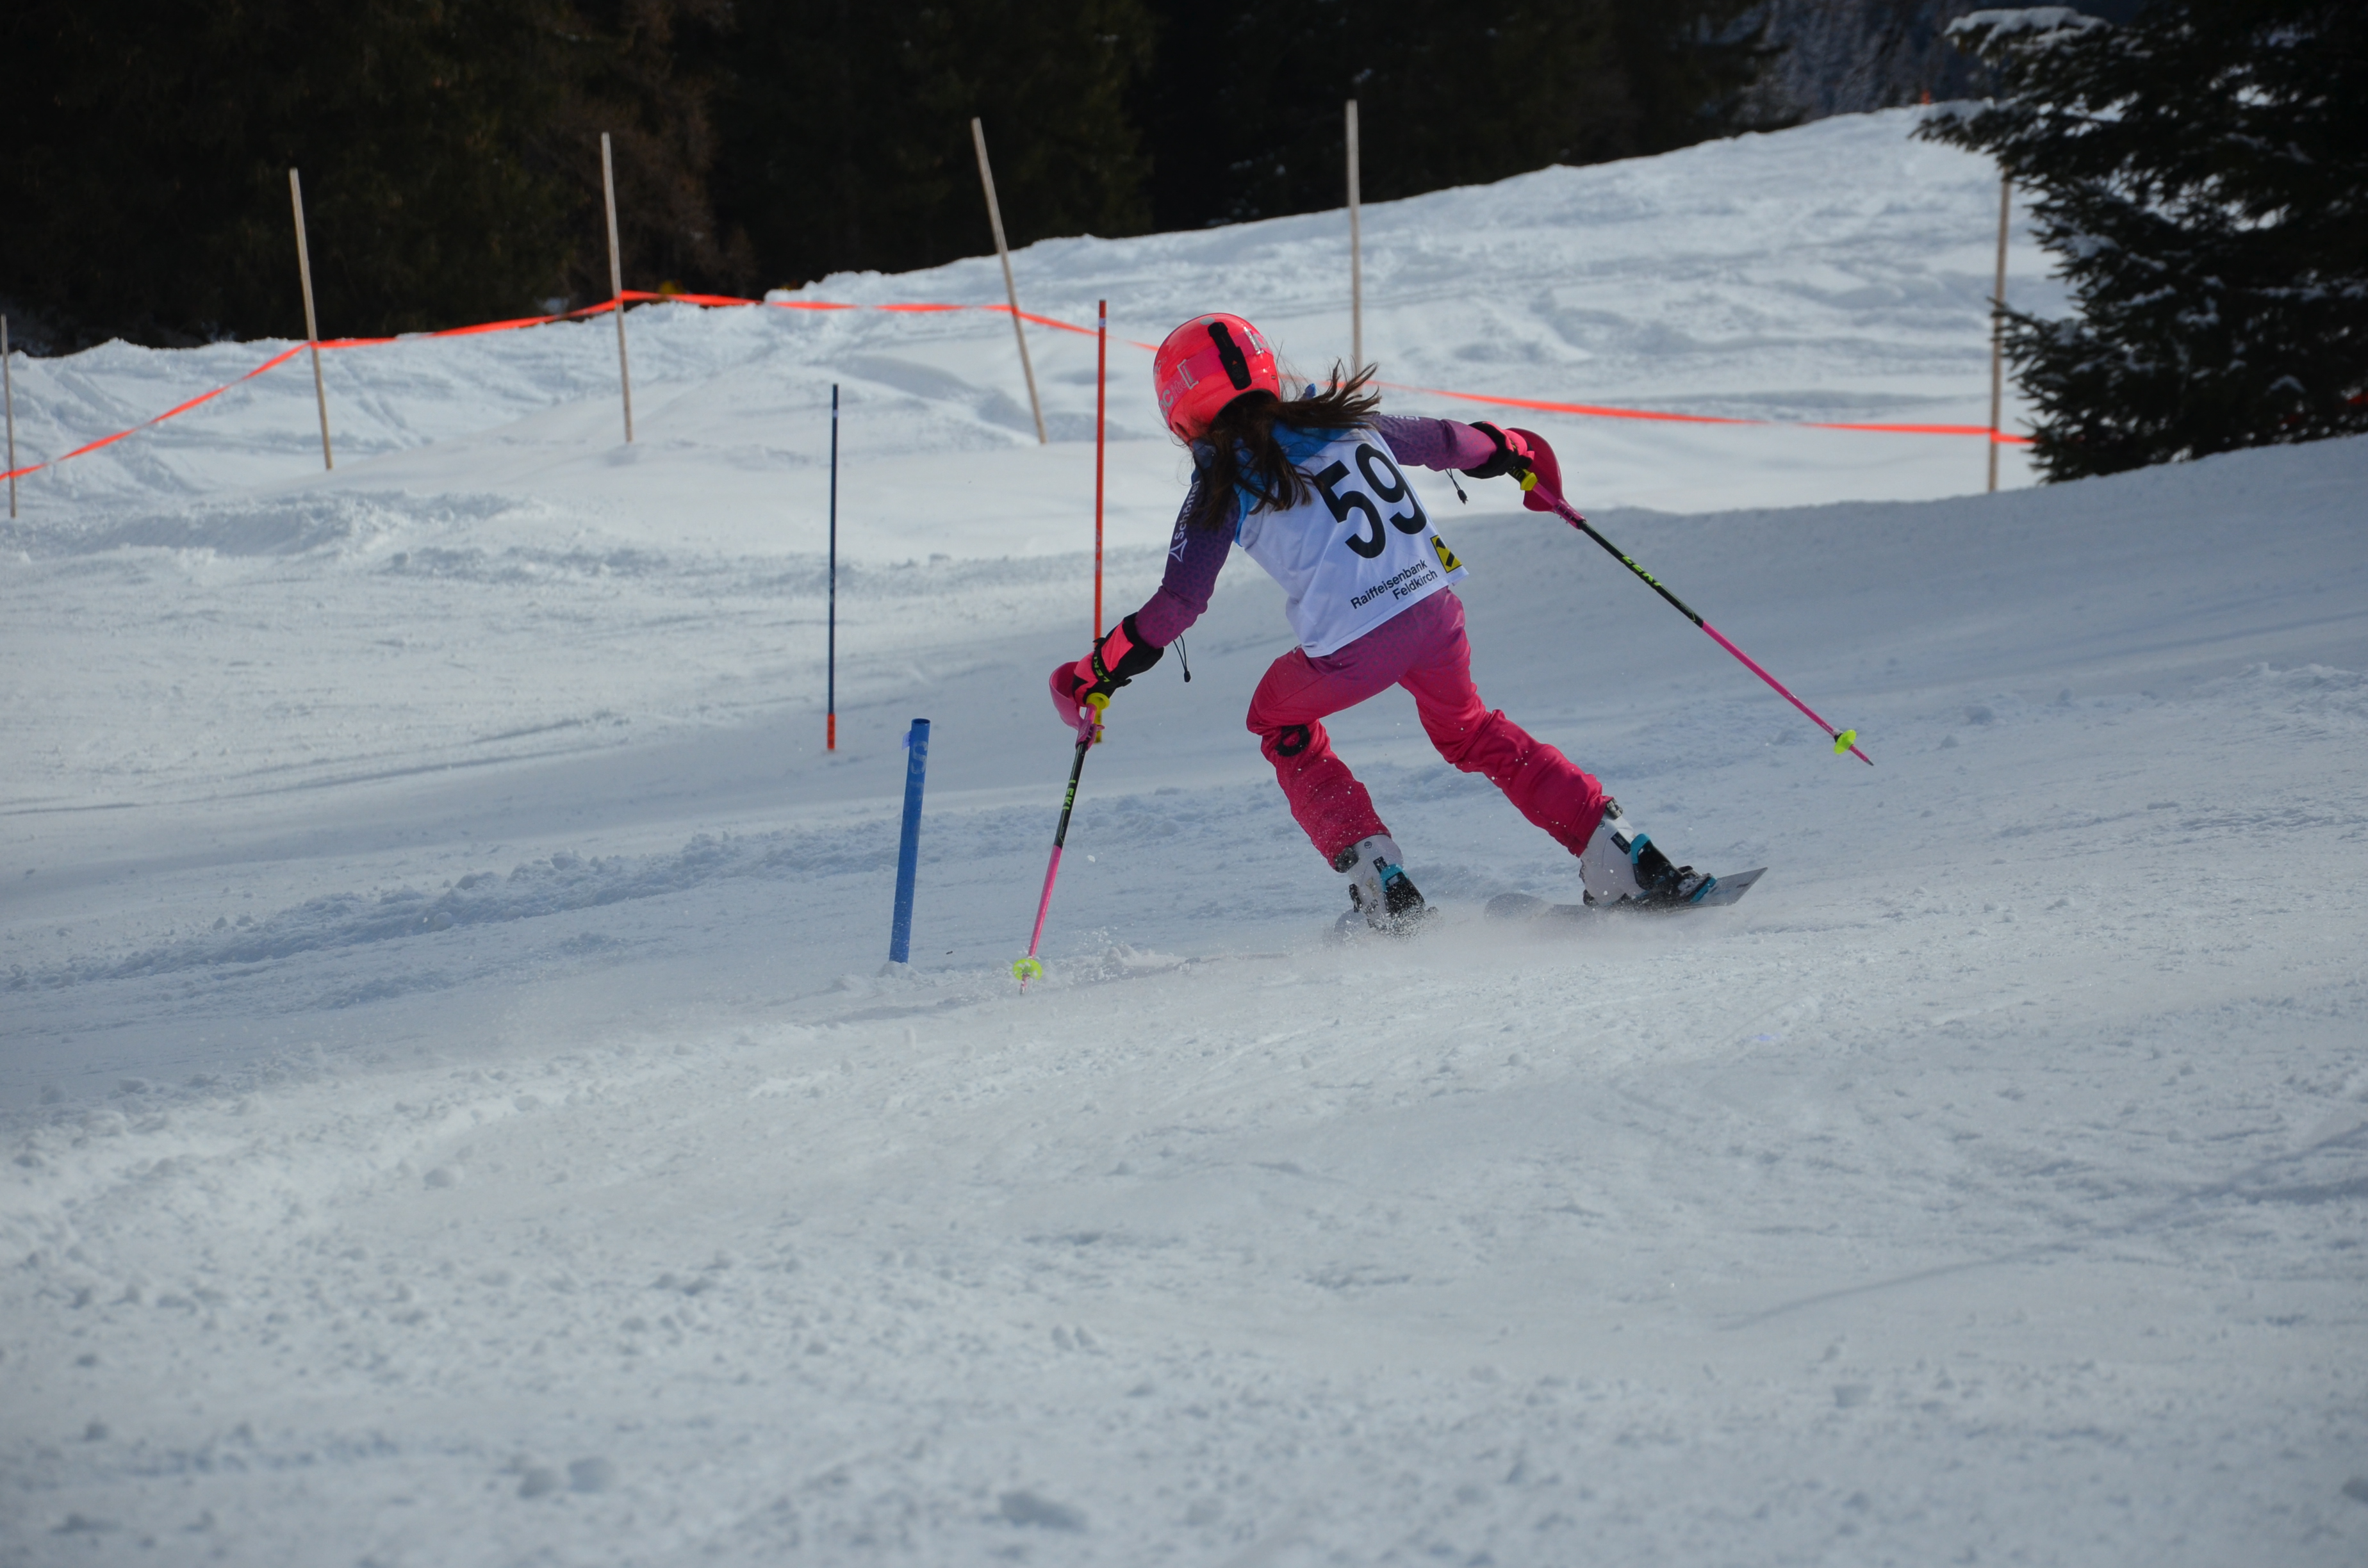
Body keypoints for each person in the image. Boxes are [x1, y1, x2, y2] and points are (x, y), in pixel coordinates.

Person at [1049, 313, 1711, 932]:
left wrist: (1096, 672)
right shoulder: (1346, 420)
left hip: (1352, 649)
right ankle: (1620, 853)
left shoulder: (1220, 484)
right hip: (1435, 611)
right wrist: (1511, 450)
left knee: (1276, 719)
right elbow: (1449, 442)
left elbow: (1178, 605)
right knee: (1471, 730)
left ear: (1179, 412)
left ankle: (1379, 880)